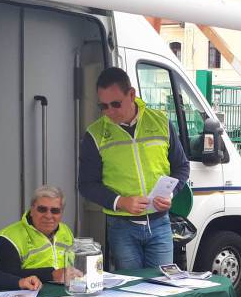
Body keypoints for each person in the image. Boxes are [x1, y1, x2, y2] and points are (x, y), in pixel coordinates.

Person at [78, 67, 190, 270]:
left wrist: (171, 194)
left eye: (115, 104)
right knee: (131, 291)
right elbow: (86, 185)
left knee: (163, 288)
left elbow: (182, 166)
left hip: (160, 223)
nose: (109, 112)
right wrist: (120, 201)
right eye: (103, 106)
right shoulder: (94, 134)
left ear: (131, 94)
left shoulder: (161, 123)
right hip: (121, 228)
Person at [0, 185, 74, 284]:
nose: (48, 216)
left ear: (61, 213)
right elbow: (4, 275)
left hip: (65, 293)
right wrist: (51, 274)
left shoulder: (66, 231)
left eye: (55, 211)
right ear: (31, 210)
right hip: (27, 294)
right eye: (42, 209)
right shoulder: (9, 237)